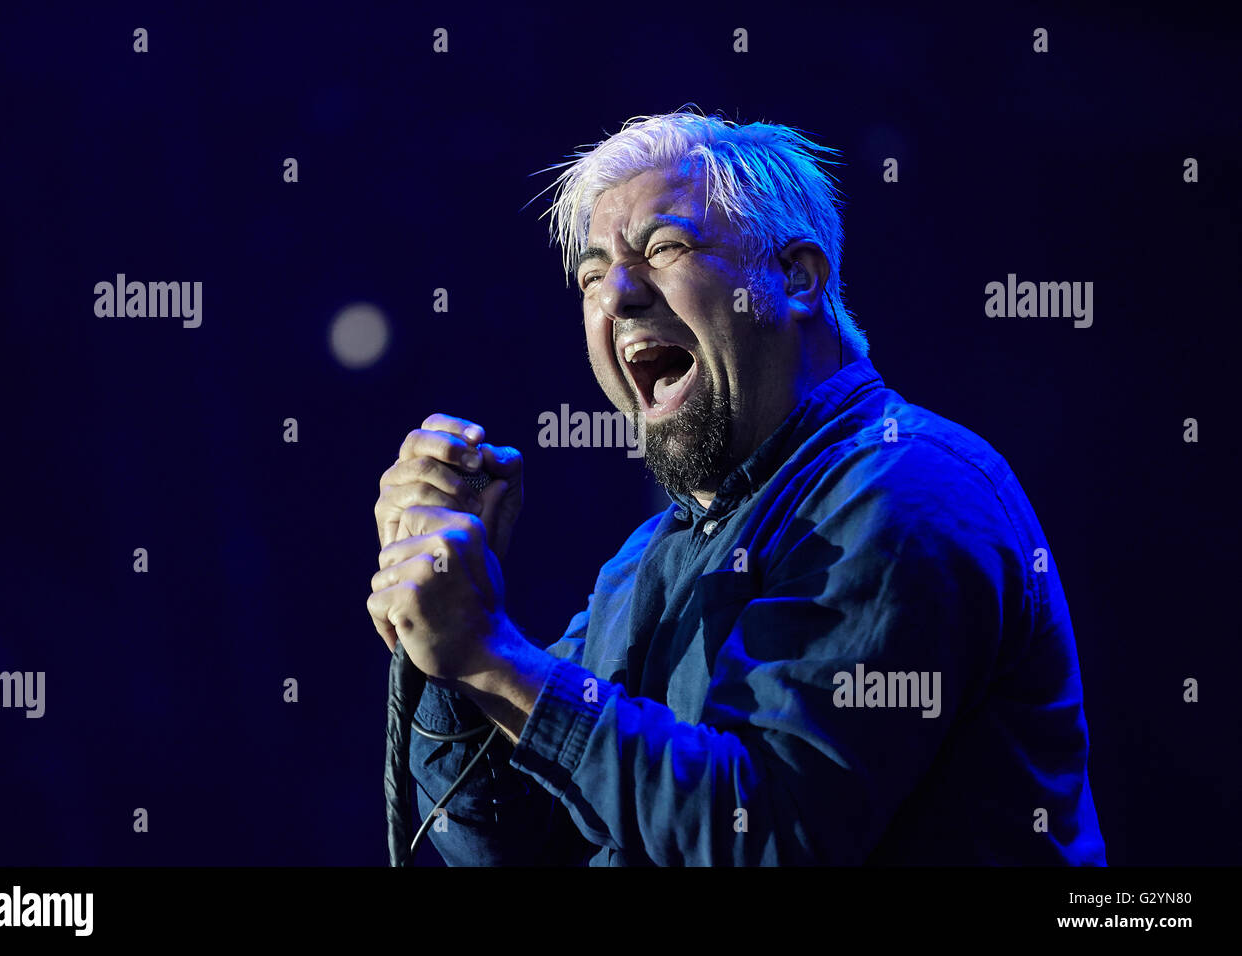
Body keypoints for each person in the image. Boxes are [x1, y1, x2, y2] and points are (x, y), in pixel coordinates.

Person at [366, 107, 1106, 865]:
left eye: (666, 246)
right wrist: (454, 646)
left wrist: (492, 654)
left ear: (796, 278)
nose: (617, 295)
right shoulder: (644, 561)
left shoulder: (907, 487)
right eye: (592, 274)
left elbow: (770, 832)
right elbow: (503, 844)